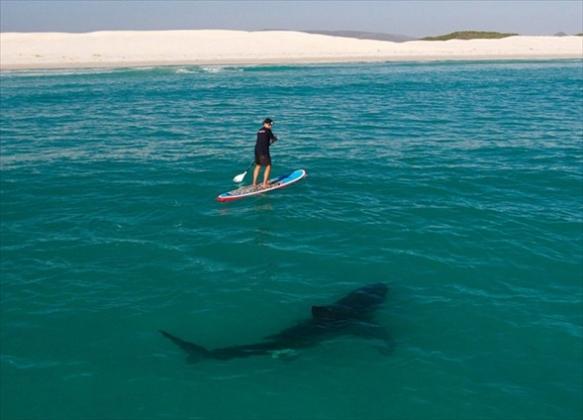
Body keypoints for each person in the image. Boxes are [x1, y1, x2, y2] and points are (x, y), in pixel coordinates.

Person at [253, 118, 278, 188]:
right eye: (269, 124)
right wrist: (275, 139)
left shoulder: (259, 130)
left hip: (257, 150)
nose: (271, 126)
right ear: (265, 124)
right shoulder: (268, 130)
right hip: (264, 151)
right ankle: (265, 184)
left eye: (271, 125)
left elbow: (262, 140)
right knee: (268, 166)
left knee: (258, 166)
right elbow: (273, 139)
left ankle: (254, 183)